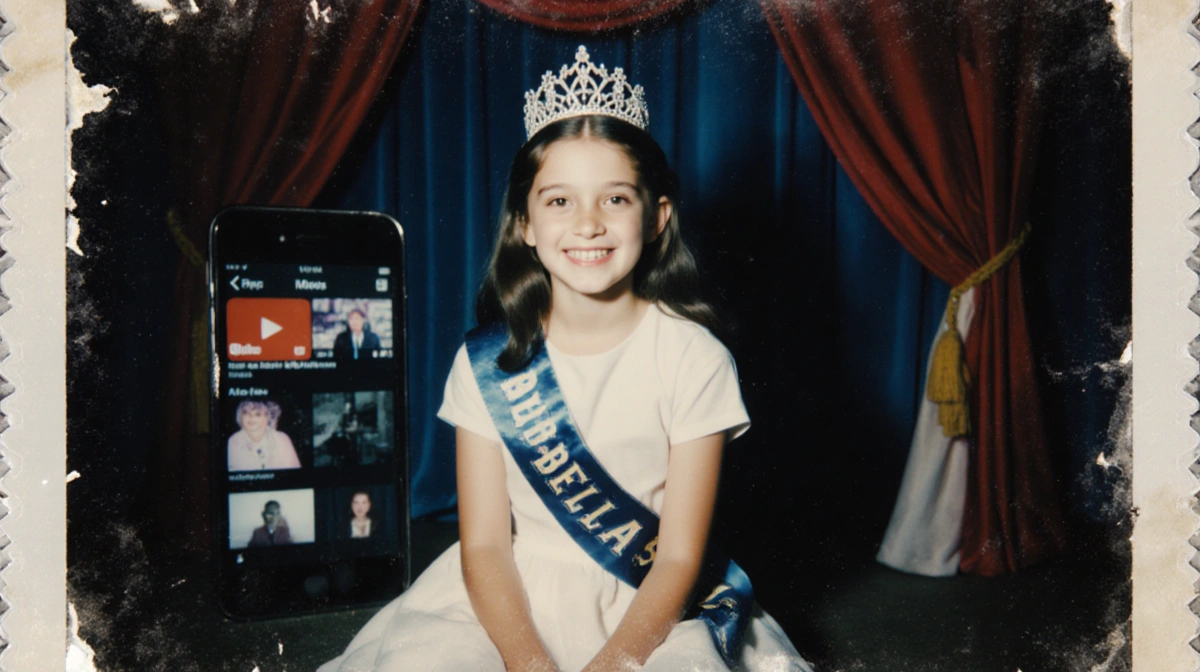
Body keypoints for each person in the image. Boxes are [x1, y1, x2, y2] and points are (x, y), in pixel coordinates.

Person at [319, 47, 811, 672]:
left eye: (615, 200)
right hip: (506, 598)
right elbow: (487, 545)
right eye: (559, 202)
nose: (587, 224)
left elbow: (682, 558)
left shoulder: (694, 358)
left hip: (650, 605)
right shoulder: (487, 361)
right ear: (524, 222)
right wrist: (527, 661)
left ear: (657, 217)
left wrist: (614, 663)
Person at [227, 400, 302, 472]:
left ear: (268, 417)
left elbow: (294, 476)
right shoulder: (233, 441)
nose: (251, 417)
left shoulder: (282, 439)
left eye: (257, 414)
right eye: (246, 412)